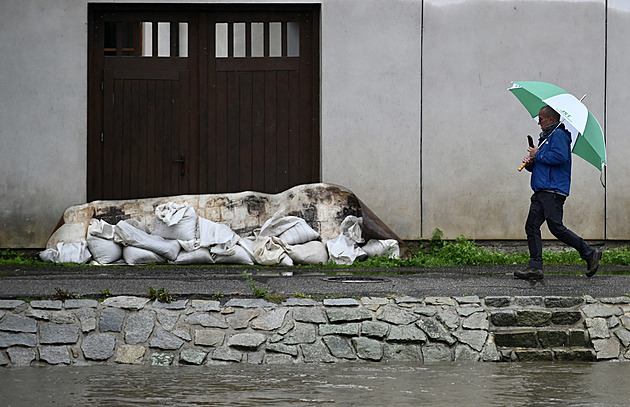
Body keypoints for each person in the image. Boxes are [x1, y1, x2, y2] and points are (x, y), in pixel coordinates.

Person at [515, 105, 602, 280]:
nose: (538, 122)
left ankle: (589, 253)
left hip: (553, 191)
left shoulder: (559, 136)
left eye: (541, 119)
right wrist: (531, 161)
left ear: (551, 120)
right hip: (541, 190)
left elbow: (560, 157)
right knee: (531, 226)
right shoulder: (546, 138)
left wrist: (537, 154)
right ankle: (535, 267)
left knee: (556, 228)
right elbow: (541, 165)